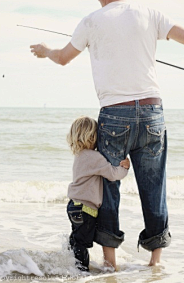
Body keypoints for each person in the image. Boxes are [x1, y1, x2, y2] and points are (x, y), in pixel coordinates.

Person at [30, 0, 184, 269]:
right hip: (153, 113)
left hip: (114, 114)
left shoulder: (91, 20)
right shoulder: (151, 14)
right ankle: (155, 261)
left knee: (109, 187)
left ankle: (110, 262)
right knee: (154, 187)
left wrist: (46, 50)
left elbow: (62, 58)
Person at [66, 116, 130, 271]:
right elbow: (113, 174)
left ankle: (68, 264)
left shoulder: (80, 156)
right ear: (94, 137)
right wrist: (125, 167)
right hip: (85, 208)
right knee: (82, 243)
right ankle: (81, 273)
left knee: (76, 239)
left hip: (74, 206)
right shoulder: (93, 157)